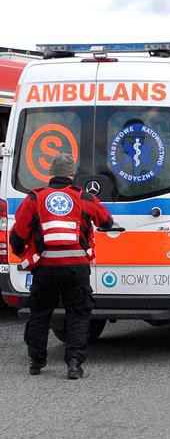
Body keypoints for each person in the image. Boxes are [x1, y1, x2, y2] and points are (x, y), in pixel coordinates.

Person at [10, 153, 118, 379]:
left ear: (51, 173)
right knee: (78, 314)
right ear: (72, 174)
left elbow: (18, 236)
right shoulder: (84, 197)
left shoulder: (34, 198)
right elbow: (106, 222)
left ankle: (36, 362)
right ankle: (74, 364)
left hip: (45, 267)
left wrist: (26, 257)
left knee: (40, 313)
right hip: (76, 268)